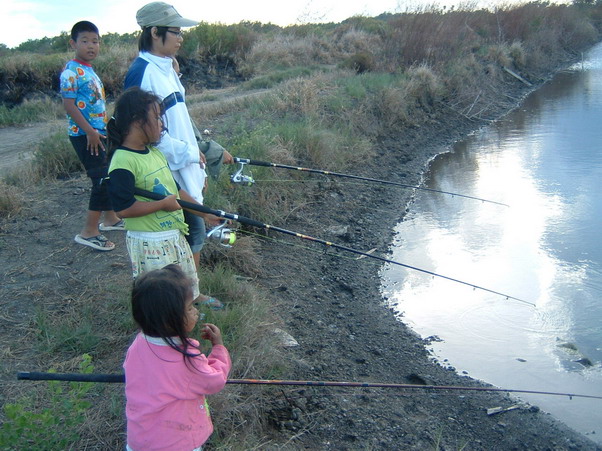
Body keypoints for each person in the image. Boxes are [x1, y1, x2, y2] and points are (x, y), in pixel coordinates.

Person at [124, 1, 233, 270]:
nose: (180, 38)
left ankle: (191, 292)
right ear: (154, 32)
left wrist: (197, 165)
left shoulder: (167, 68)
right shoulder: (142, 73)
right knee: (188, 229)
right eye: (176, 32)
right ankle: (185, 295)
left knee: (194, 231)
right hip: (164, 167)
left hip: (184, 162)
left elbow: (181, 120)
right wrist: (189, 155)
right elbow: (145, 132)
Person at [107, 86, 223, 308]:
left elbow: (177, 192)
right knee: (161, 295)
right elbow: (123, 209)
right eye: (157, 117)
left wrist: (206, 214)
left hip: (172, 236)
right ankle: (162, 331)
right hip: (150, 243)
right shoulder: (123, 160)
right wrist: (161, 205)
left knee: (181, 284)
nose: (162, 124)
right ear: (136, 120)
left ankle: (185, 313)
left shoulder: (156, 153)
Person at [124, 264, 231, 451]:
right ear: (170, 319)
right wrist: (218, 347)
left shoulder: (138, 344)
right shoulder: (187, 359)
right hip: (177, 443)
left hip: (139, 440)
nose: (196, 312)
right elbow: (215, 380)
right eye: (190, 308)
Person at [59, 20, 124, 252]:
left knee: (107, 174)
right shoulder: (70, 72)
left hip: (98, 133)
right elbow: (69, 106)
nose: (91, 46)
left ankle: (110, 219)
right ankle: (88, 232)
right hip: (85, 135)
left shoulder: (89, 70)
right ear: (73, 43)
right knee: (100, 178)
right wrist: (89, 131)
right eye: (85, 41)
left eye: (95, 41)